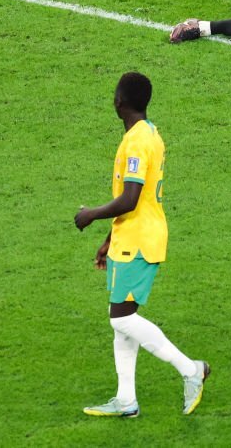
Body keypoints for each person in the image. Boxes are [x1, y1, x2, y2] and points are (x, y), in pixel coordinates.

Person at [74, 72, 208, 418]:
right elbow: (137, 196)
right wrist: (109, 238)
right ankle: (126, 399)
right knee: (122, 316)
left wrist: (91, 215)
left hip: (139, 240)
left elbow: (130, 198)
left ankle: (191, 369)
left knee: (121, 319)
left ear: (119, 101)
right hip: (130, 236)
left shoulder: (136, 141)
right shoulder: (149, 133)